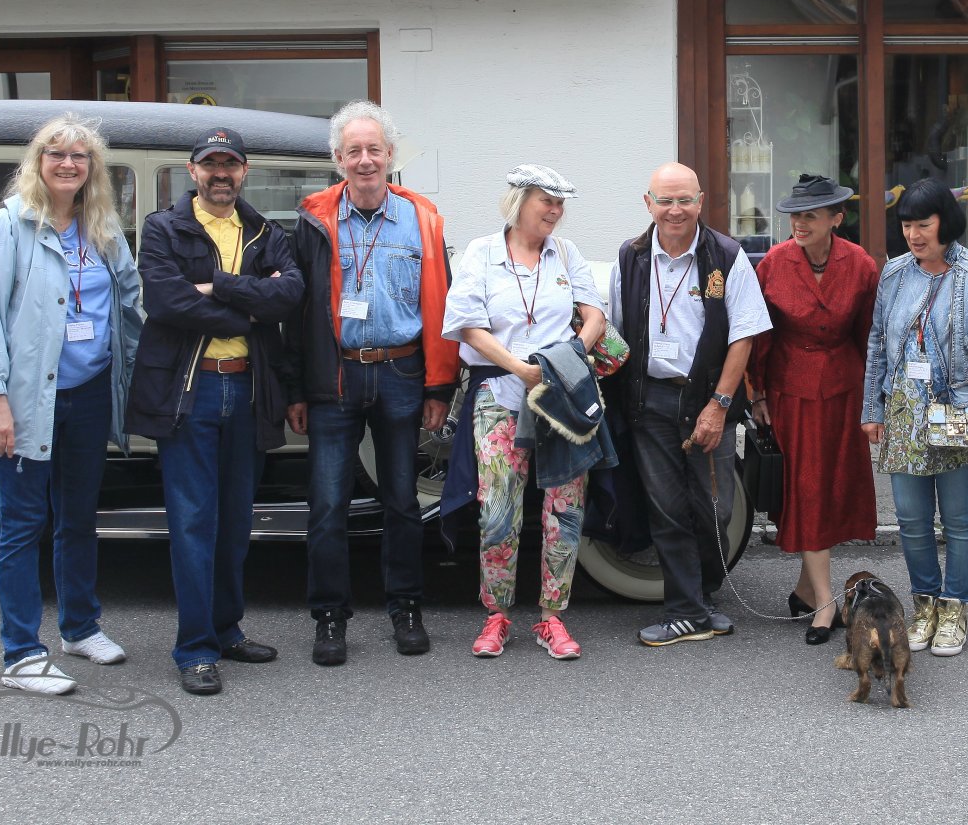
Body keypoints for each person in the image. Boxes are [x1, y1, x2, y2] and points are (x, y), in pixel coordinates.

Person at [0, 114, 142, 695]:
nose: (68, 164)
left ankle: (80, 628)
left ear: (93, 168)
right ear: (37, 162)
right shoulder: (8, 226)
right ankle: (21, 653)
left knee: (79, 518)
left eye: (79, 156)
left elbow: (129, 304)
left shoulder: (102, 226)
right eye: (56, 153)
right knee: (21, 524)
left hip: (88, 393)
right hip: (24, 401)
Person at [127, 126, 302, 696]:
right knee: (193, 523)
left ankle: (227, 631)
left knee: (235, 523)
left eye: (230, 164)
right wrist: (248, 307)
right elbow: (165, 299)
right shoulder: (163, 228)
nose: (220, 174)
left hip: (248, 390)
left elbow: (289, 295)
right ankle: (195, 649)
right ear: (193, 171)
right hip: (190, 391)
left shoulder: (265, 231)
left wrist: (216, 286)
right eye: (211, 164)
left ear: (244, 171)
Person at [283, 100, 458, 667]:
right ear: (338, 159)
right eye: (353, 151)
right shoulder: (313, 221)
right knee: (327, 503)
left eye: (374, 150)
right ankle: (330, 616)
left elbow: (442, 305)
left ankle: (405, 607)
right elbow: (296, 312)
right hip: (334, 374)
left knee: (402, 500)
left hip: (402, 371)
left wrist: (439, 387)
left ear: (390, 155)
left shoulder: (422, 219)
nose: (365, 160)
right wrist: (296, 388)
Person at [441, 165, 607, 659]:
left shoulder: (566, 253)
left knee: (565, 508)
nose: (555, 212)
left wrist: (569, 355)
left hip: (559, 396)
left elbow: (594, 314)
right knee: (497, 508)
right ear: (519, 202)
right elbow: (468, 325)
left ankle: (552, 617)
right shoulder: (482, 252)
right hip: (500, 391)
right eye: (546, 202)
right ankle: (496, 614)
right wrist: (520, 367)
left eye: (560, 204)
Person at [609, 163, 772, 646]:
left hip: (707, 397)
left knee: (715, 510)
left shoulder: (727, 256)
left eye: (684, 200)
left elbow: (744, 336)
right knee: (667, 509)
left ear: (700, 202)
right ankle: (687, 611)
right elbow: (617, 327)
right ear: (648, 204)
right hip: (651, 398)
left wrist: (719, 405)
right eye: (665, 200)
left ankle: (701, 596)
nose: (675, 210)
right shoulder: (631, 256)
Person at [861, 179, 968, 658]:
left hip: (959, 409)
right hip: (904, 410)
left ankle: (955, 606)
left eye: (923, 224)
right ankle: (923, 604)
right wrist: (872, 409)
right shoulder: (894, 273)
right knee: (910, 518)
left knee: (960, 519)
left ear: (946, 222)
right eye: (907, 225)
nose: (913, 235)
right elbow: (877, 344)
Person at [748, 174, 880, 645]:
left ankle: (805, 590)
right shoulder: (774, 263)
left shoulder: (861, 264)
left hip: (845, 390)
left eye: (810, 215)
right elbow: (759, 334)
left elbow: (871, 335)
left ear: (836, 218)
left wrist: (875, 399)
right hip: (791, 392)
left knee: (832, 490)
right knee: (806, 490)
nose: (799, 224)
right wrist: (757, 393)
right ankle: (825, 603)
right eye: (795, 215)